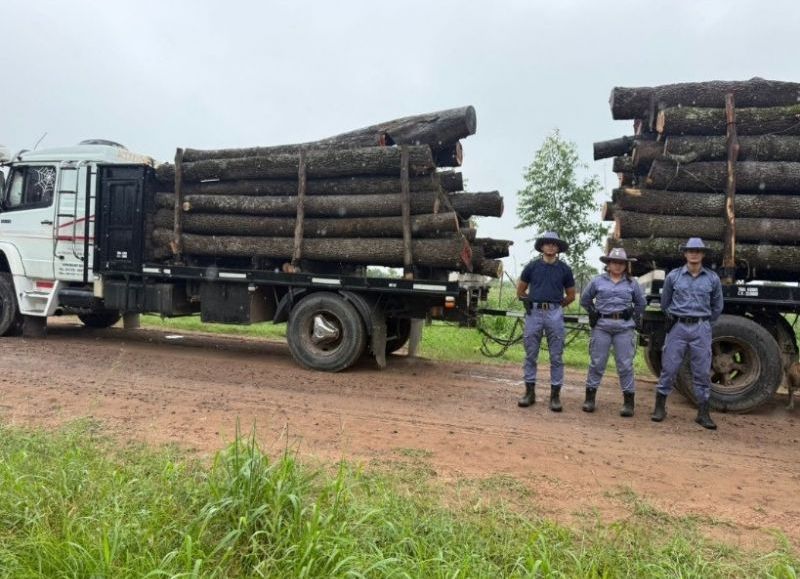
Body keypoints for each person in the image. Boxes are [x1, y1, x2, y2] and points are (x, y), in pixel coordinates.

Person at [651, 238, 724, 430]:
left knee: (701, 371)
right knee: (669, 368)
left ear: (703, 254)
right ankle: (660, 408)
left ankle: (703, 413)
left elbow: (717, 306)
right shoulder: (673, 277)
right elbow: (665, 303)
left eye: (697, 251)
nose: (694, 254)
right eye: (690, 250)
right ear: (685, 254)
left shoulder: (712, 278)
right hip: (678, 327)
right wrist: (675, 319)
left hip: (701, 327)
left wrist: (705, 323)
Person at [580, 248, 646, 416]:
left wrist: (632, 313)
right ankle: (590, 398)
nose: (617, 266)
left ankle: (628, 403)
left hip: (624, 328)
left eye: (621, 263)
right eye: (614, 262)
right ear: (608, 264)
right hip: (602, 326)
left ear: (625, 266)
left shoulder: (632, 283)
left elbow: (641, 303)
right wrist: (592, 312)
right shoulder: (597, 281)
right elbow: (585, 299)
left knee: (625, 365)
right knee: (597, 362)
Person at [516, 232, 576, 411]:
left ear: (558, 248)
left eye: (554, 244)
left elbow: (571, 295)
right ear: (541, 247)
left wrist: (556, 306)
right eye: (547, 244)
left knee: (556, 356)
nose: (550, 247)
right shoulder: (532, 267)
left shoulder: (564, 269)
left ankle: (555, 397)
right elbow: (520, 291)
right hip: (534, 313)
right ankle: (529, 393)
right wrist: (530, 303)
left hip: (554, 314)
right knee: (530, 354)